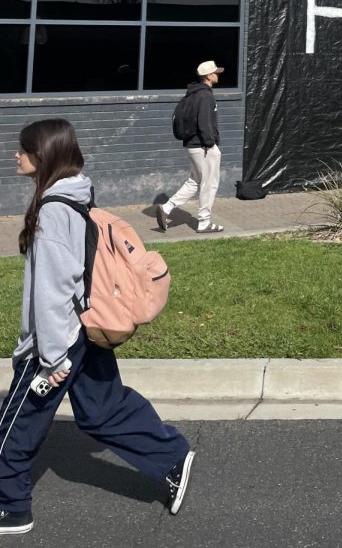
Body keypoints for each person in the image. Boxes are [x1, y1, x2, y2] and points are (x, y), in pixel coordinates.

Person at [0, 119, 194, 534]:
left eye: (23, 149)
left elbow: (53, 290)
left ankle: (11, 508)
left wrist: (50, 358)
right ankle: (171, 454)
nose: (15, 155)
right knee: (102, 411)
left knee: (17, 422)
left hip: (59, 339)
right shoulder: (76, 194)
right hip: (86, 330)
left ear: (43, 156)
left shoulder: (53, 211)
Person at [157, 60, 225, 234]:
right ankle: (204, 222)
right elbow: (204, 123)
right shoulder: (205, 95)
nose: (218, 75)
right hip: (203, 147)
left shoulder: (192, 94)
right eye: (216, 72)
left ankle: (167, 208)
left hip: (192, 145)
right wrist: (210, 143)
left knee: (195, 181)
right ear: (209, 76)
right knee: (209, 184)